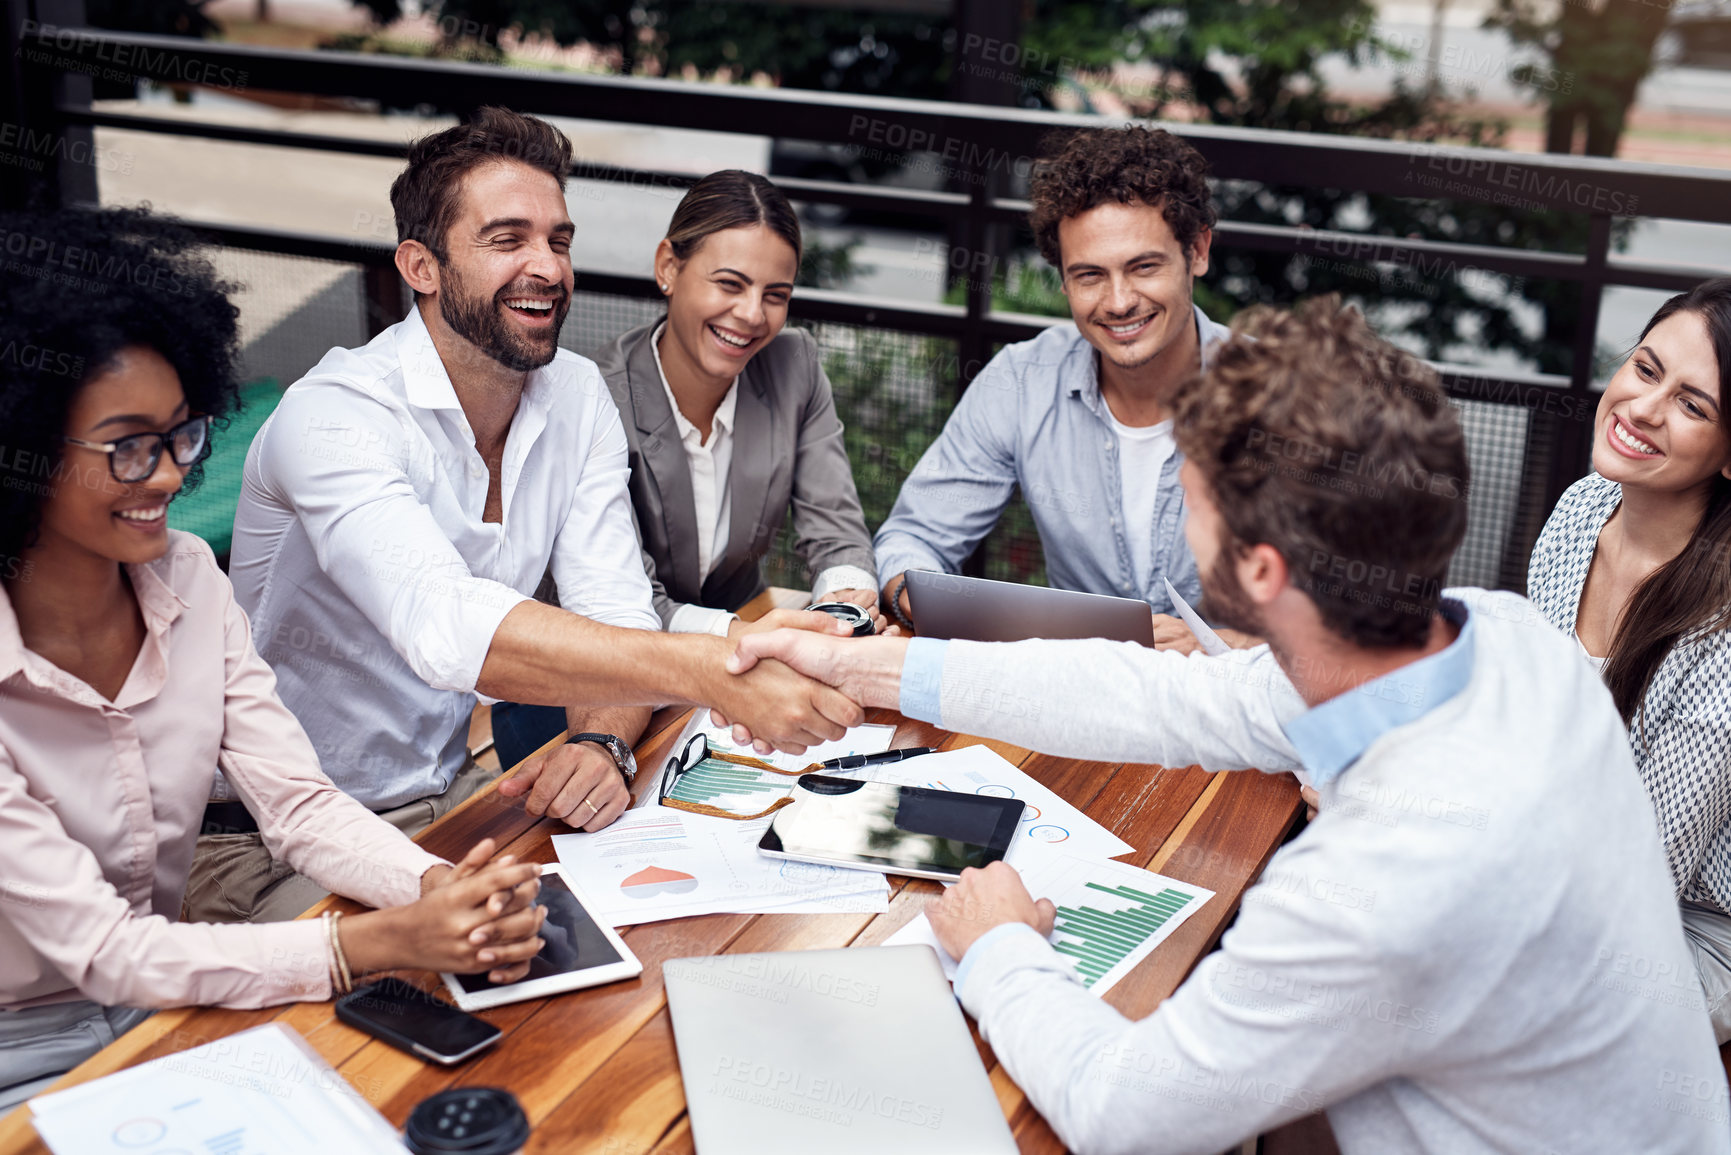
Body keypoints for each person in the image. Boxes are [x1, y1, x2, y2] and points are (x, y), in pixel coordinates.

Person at [724, 298, 1728, 1154]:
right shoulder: (1509, 644)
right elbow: (1164, 697)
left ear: (1258, 572)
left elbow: (1124, 1109)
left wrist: (997, 947)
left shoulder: (1366, 891)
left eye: (1189, 491)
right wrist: (856, 662)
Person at [206, 107, 860, 925]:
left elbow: (612, 605)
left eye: (558, 240)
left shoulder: (575, 394)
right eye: (506, 239)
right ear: (422, 266)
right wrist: (703, 667)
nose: (545, 267)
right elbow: (444, 627)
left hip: (451, 799)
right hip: (261, 838)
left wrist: (601, 741)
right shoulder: (334, 416)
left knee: (681, 933)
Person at [0, 207, 545, 1110]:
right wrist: (375, 943)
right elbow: (105, 948)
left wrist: (442, 887)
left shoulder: (189, 582)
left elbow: (297, 804)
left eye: (183, 434)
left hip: (161, 1002)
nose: (172, 474)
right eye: (130, 447)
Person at [490, 170, 884, 764]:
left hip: (739, 676)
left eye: (775, 295)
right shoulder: (595, 398)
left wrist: (842, 612)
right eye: (730, 283)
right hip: (584, 699)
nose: (752, 315)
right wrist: (752, 641)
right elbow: (620, 600)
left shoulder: (792, 367)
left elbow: (835, 529)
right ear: (668, 268)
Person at [872, 125, 1242, 651]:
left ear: (1198, 250)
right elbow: (917, 537)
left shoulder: (1285, 396)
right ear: (1064, 281)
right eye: (1090, 276)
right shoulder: (1023, 382)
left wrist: (1215, 644)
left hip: (1239, 710)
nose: (1118, 302)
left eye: (1143, 267)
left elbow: (1353, 635)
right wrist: (916, 595)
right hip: (1079, 701)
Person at [1527, 278, 1731, 1042]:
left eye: (1692, 404)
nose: (1642, 408)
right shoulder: (1581, 508)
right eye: (1645, 369)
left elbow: (1637, 884)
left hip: (1686, 930)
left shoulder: (1722, 628)